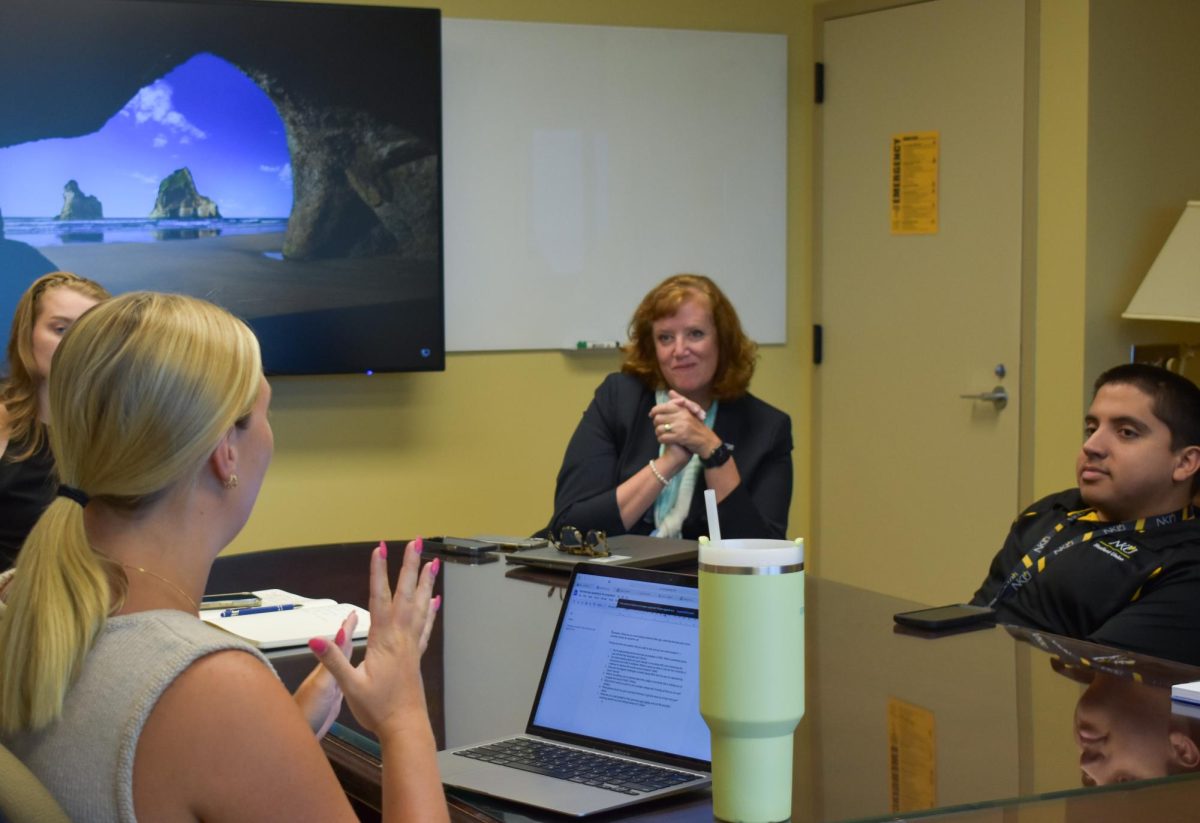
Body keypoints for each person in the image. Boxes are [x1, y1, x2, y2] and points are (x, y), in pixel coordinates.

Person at [0, 292, 448, 822]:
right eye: (265, 412)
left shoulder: (22, 603)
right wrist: (402, 717)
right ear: (224, 452)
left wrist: (276, 738)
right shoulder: (211, 688)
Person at [972, 363, 1200, 665]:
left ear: (1184, 463)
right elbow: (979, 611)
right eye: (1091, 429)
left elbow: (1098, 681)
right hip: (978, 674)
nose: (1092, 446)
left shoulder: (1186, 564)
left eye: (1126, 432)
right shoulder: (1051, 510)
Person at [549, 273, 792, 541]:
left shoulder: (766, 428)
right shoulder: (619, 400)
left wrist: (712, 451)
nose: (679, 350)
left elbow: (761, 557)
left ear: (723, 341)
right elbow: (570, 530)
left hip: (704, 580)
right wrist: (670, 462)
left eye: (695, 334)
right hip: (617, 576)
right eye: (665, 338)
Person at [0, 271, 108, 568]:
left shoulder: (118, 429)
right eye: (60, 329)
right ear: (28, 332)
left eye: (88, 333)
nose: (74, 343)